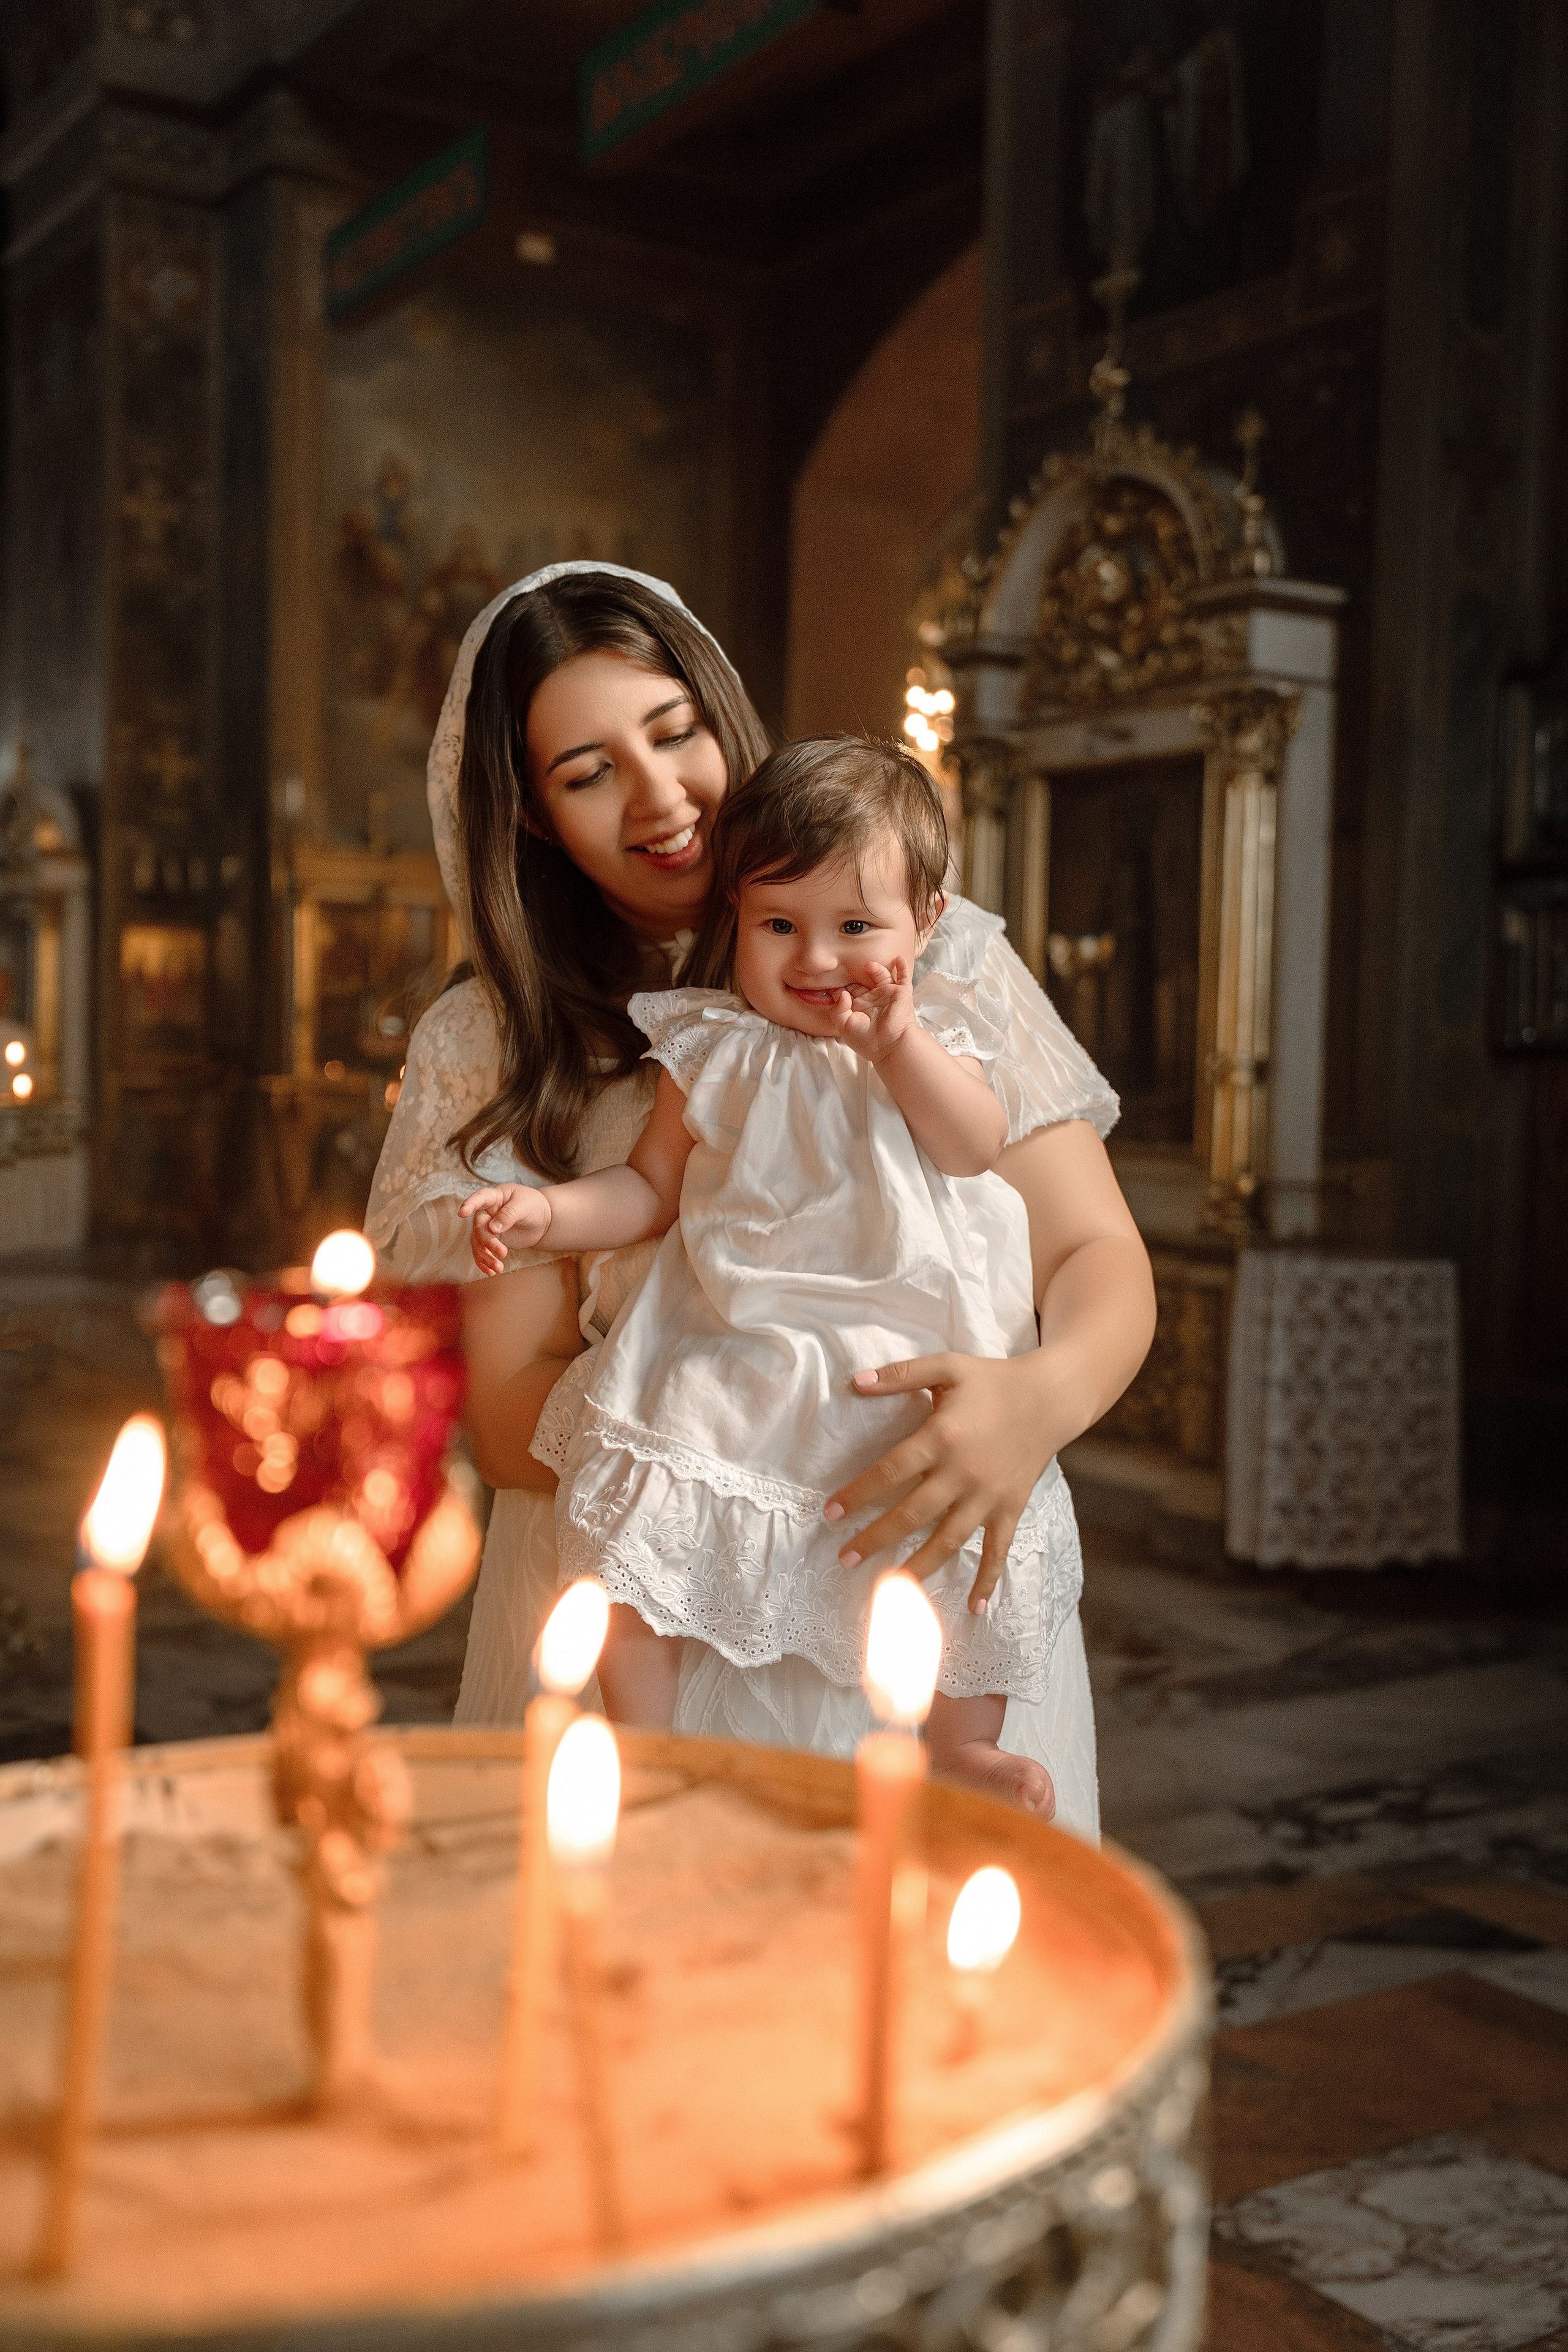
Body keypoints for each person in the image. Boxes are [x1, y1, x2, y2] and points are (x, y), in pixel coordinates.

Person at [364, 561, 1155, 1844]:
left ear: (719, 714)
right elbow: (509, 1423)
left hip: (929, 1551)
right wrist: (742, 1380)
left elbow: (1091, 1250)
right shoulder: (497, 1040)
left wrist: (1033, 1403)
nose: (659, 795)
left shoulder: (932, 959)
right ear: (527, 817)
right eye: (586, 772)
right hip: (645, 1577)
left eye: (672, 732)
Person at [459, 738, 1074, 1812]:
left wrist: (896, 1045)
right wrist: (549, 1211)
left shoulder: (941, 1036)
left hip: (904, 1359)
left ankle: (960, 1740)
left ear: (925, 923)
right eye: (778, 926)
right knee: (627, 1501)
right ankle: (645, 1734)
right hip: (742, 1342)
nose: (816, 961)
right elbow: (648, 1191)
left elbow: (974, 1144)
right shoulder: (713, 1048)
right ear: (735, 920)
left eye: (856, 929)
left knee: (960, 1543)